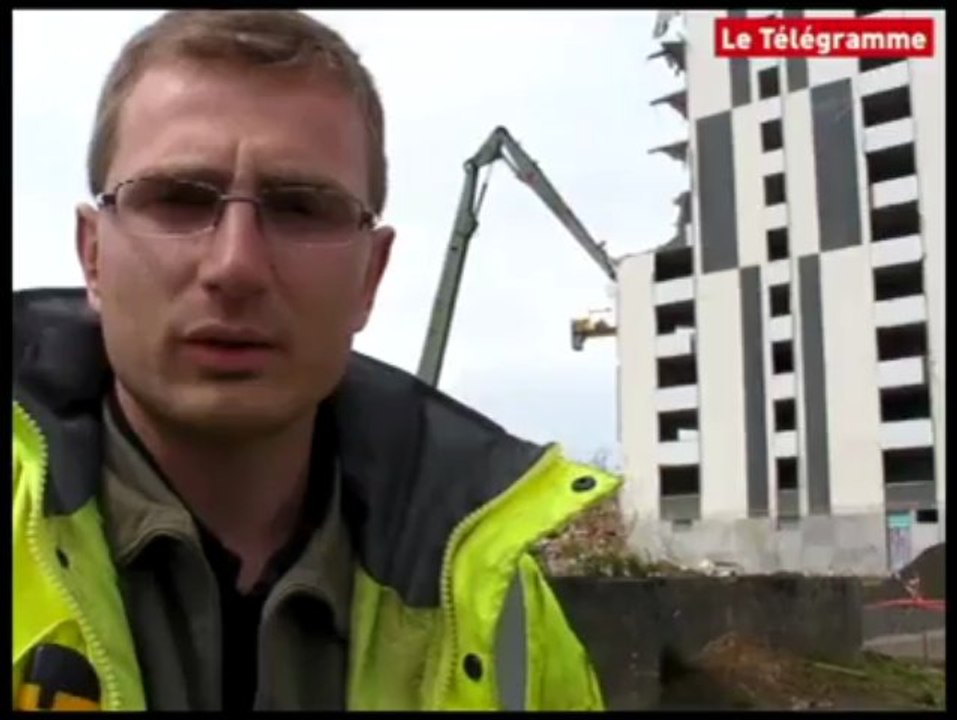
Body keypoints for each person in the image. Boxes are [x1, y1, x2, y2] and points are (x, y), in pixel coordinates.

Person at [12, 10, 618, 711]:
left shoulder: (503, 622)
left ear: (371, 275)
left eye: (300, 208)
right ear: (93, 254)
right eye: (178, 199)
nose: (234, 266)